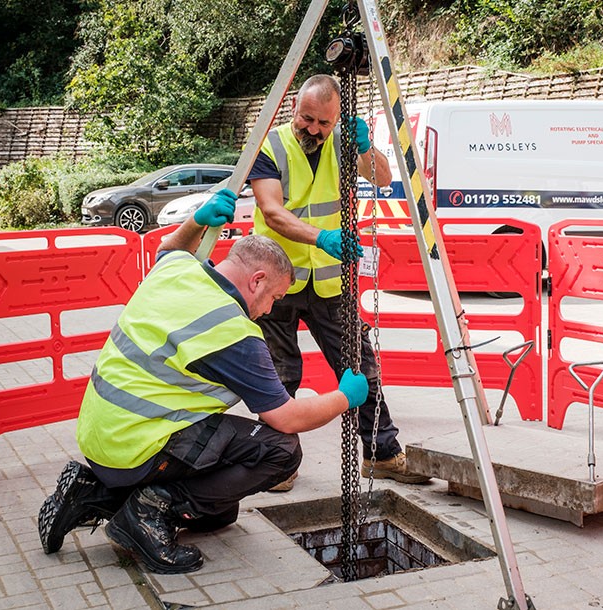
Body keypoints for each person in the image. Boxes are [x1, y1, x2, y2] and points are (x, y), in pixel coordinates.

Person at [38, 193, 369, 574]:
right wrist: (344, 397)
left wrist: (196, 220)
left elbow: (169, 247)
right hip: (138, 448)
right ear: (257, 280)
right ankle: (147, 513)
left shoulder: (180, 270)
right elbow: (287, 418)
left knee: (219, 512)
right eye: (274, 298)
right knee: (280, 451)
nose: (269, 310)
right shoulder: (233, 333)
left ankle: (92, 493)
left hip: (101, 439)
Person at [247, 73, 429, 488]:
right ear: (295, 105)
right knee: (279, 373)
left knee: (360, 365)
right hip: (276, 280)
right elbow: (272, 211)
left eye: (323, 123)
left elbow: (382, 178)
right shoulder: (271, 144)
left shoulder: (344, 143)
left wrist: (365, 146)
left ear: (337, 119)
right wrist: (322, 237)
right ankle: (280, 462)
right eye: (306, 119)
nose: (312, 129)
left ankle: (382, 452)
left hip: (330, 281)